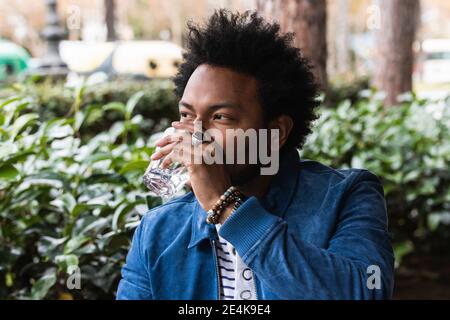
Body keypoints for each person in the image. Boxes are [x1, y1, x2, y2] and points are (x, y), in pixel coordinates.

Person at [116, 9, 394, 300]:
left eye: (221, 117)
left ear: (277, 131)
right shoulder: (158, 230)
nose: (195, 135)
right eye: (187, 115)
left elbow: (367, 291)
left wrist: (224, 206)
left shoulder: (345, 196)